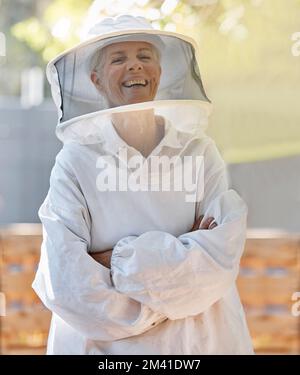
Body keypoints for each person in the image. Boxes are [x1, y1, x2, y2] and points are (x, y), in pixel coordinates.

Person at [32, 15, 254, 355]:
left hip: (199, 344)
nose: (134, 66)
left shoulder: (200, 152)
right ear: (96, 79)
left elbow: (218, 261)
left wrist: (113, 259)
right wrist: (175, 274)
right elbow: (68, 283)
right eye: (118, 59)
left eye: (144, 56)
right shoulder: (75, 162)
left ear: (159, 72)